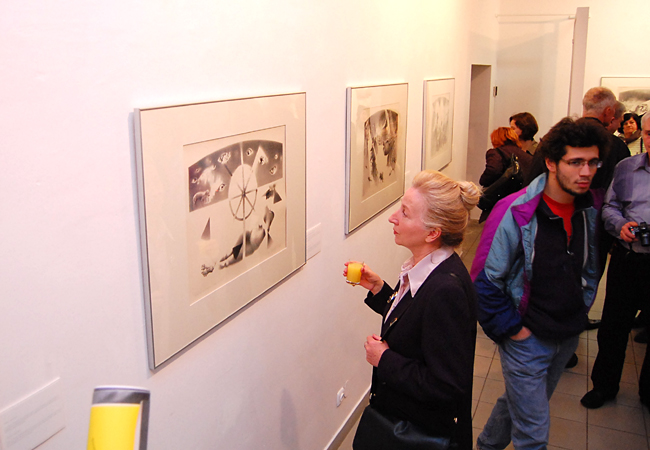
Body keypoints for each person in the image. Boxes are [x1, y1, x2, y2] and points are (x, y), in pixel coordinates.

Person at [471, 117, 610, 450]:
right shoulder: (515, 210)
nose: (586, 172)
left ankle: (487, 445)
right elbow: (483, 282)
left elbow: (587, 268)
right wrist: (514, 331)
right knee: (533, 435)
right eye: (575, 162)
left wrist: (579, 311)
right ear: (551, 162)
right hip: (526, 339)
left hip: (567, 334)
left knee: (518, 403)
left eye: (592, 162)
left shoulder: (589, 208)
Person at [347, 170, 480, 450]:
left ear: (433, 233)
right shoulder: (427, 269)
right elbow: (417, 321)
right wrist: (380, 290)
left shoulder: (445, 290)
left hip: (419, 432)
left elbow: (446, 385)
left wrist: (384, 359)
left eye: (405, 213)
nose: (393, 217)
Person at [581, 113, 650, 409]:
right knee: (613, 327)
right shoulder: (627, 168)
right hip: (628, 259)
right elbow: (609, 207)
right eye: (649, 133)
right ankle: (604, 386)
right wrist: (620, 224)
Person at [478, 127, 533, 222]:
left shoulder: (496, 153)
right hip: (521, 204)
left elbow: (493, 170)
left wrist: (483, 180)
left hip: (500, 203)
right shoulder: (528, 157)